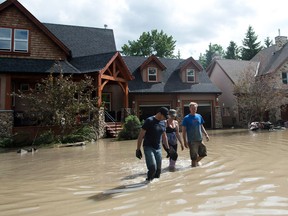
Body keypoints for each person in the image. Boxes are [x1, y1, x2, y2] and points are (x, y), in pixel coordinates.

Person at [136, 107, 171, 181]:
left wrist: (168, 149)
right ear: (160, 114)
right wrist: (138, 149)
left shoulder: (163, 123)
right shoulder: (149, 120)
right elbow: (141, 135)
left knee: (158, 172)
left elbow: (164, 137)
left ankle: (155, 188)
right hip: (148, 147)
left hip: (158, 148)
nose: (165, 119)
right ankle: (147, 183)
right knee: (152, 168)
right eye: (164, 116)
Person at [182, 102, 209, 167]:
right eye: (192, 108)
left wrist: (206, 134)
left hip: (200, 139)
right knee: (193, 158)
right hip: (192, 141)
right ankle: (193, 170)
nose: (194, 109)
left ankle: (195, 163)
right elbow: (183, 131)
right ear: (190, 109)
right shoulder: (186, 118)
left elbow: (201, 126)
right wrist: (185, 142)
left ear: (196, 108)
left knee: (203, 154)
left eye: (195, 108)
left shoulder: (199, 116)